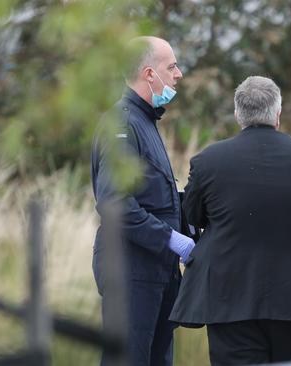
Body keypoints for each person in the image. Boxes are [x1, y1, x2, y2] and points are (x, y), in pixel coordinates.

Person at [168, 76, 291, 365]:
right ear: (278, 113)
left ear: (238, 114)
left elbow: (192, 215)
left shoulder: (209, 160)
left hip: (229, 299)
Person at [91, 36, 193, 366]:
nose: (178, 74)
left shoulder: (144, 120)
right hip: (130, 269)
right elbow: (115, 203)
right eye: (172, 66)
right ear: (150, 74)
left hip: (156, 269)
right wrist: (171, 239)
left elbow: (152, 195)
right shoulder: (122, 123)